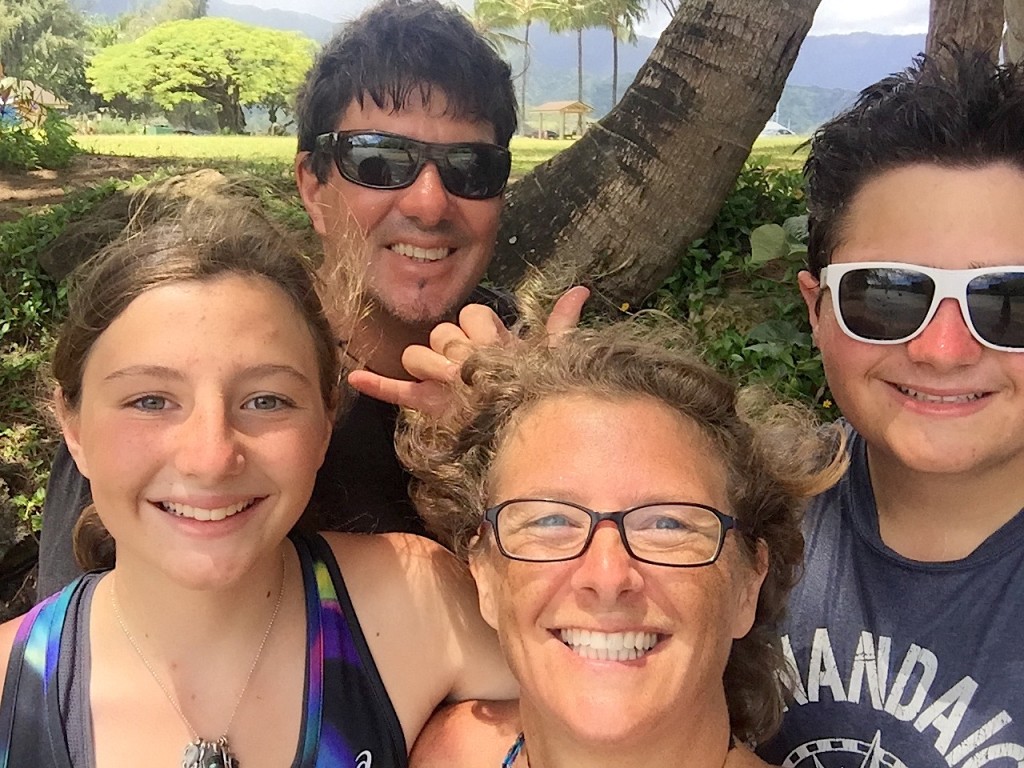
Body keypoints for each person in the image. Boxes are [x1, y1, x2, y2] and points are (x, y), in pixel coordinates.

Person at [35, 0, 586, 598]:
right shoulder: (188, 375)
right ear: (312, 185)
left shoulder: (539, 380)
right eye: (380, 161)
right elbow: (79, 658)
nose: (430, 203)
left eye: (470, 168)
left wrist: (531, 442)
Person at [0, 201, 514, 766]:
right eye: (149, 401)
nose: (211, 457)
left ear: (325, 421)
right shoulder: (11, 692)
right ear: (73, 428)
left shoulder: (416, 606)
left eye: (265, 400)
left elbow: (600, 710)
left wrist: (533, 436)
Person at [394, 324, 845, 767]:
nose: (607, 577)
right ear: (484, 575)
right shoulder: (437, 750)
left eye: (667, 524)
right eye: (551, 519)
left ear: (749, 583)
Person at [756, 50, 1024, 766]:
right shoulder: (744, 510)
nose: (943, 350)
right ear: (817, 311)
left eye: (1008, 301)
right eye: (888, 295)